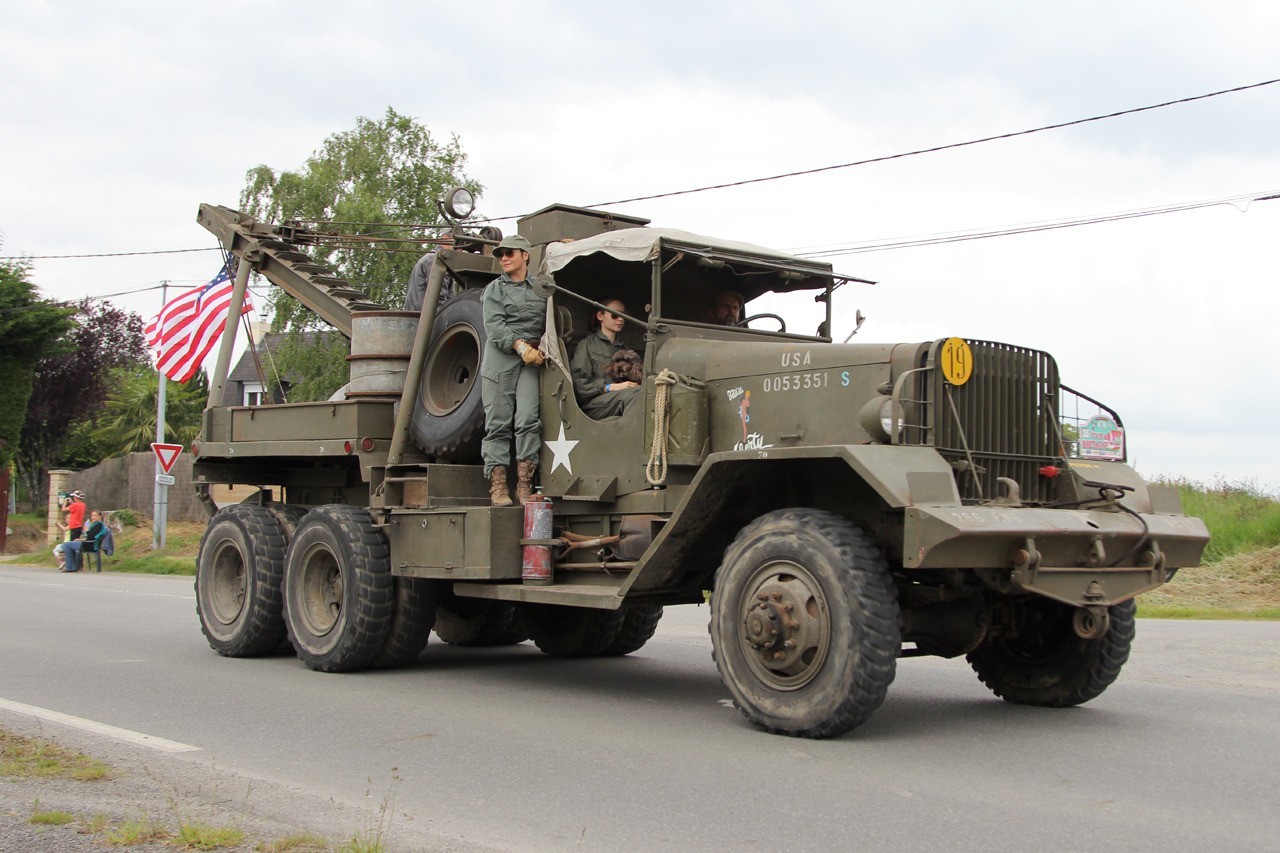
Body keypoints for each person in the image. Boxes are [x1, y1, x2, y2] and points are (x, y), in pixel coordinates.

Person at [480, 234, 548, 507]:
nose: (504, 258)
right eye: (500, 255)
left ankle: (524, 484)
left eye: (509, 253)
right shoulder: (494, 290)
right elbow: (495, 327)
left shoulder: (540, 288)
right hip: (502, 359)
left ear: (526, 255)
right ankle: (498, 486)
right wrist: (520, 347)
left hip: (532, 361)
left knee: (528, 420)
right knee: (498, 423)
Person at [571, 298, 642, 418]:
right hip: (593, 404)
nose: (620, 319)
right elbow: (580, 386)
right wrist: (610, 387)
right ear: (600, 316)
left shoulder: (624, 348)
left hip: (620, 398)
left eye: (623, 315)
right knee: (634, 395)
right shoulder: (587, 345)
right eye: (615, 314)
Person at [403, 232, 459, 313]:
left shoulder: (432, 258)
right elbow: (438, 299)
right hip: (424, 319)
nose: (459, 247)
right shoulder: (436, 261)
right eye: (456, 241)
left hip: (416, 317)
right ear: (445, 239)